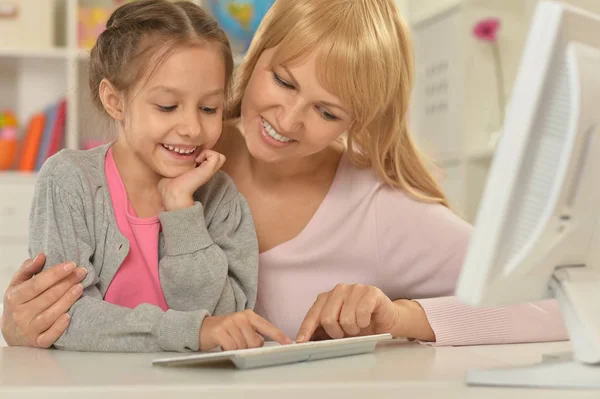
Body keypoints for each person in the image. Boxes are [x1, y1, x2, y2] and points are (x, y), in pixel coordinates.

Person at [1, 0, 568, 350]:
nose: (288, 120)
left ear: (358, 121)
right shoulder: (165, 143)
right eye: (285, 81)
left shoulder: (376, 209)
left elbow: (565, 297)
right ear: (257, 54)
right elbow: (70, 308)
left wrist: (400, 317)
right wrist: (23, 326)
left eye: (328, 112)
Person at [5, 0, 291, 353]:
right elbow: (62, 319)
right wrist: (188, 332)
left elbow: (225, 322)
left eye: (209, 108)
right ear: (115, 101)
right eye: (167, 106)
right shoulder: (70, 181)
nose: (191, 127)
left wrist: (181, 213)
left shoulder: (220, 198)